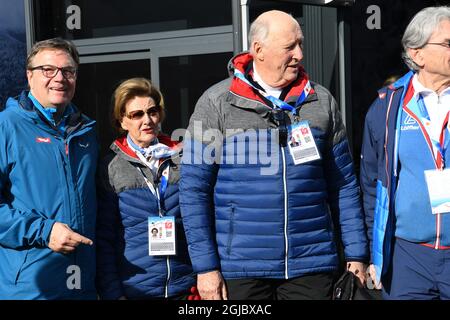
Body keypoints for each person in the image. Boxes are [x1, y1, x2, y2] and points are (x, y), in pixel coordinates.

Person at [179, 10, 368, 300]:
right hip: (240, 270)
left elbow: (343, 184)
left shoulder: (321, 102)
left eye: (301, 44)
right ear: (258, 50)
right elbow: (193, 190)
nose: (300, 54)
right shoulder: (216, 103)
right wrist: (205, 268)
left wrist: (356, 253)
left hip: (311, 264)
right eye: (289, 46)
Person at [361, 6, 450, 300]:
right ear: (417, 53)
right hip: (408, 256)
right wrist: (374, 252)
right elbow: (372, 183)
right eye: (448, 43)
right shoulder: (388, 107)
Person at [0, 38, 98, 299]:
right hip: (31, 288)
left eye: (68, 71)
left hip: (82, 284)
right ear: (29, 76)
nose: (59, 78)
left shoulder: (87, 132)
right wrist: (44, 231)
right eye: (48, 70)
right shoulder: (6, 127)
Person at [96, 78, 196, 300]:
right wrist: (113, 294)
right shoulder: (111, 167)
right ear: (122, 121)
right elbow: (104, 239)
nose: (147, 120)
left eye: (152, 111)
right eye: (137, 114)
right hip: (135, 289)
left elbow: (201, 223)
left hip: (186, 288)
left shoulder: (183, 157)